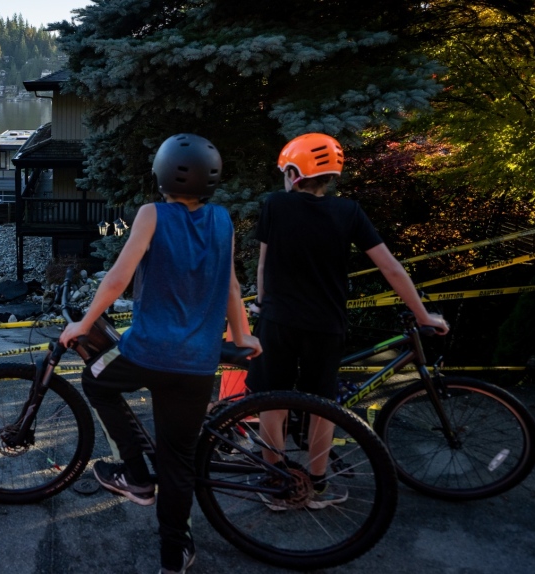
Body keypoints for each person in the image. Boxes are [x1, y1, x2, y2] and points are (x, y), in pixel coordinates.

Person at [60, 133, 261, 574]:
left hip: (146, 352)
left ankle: (134, 475)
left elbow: (117, 277)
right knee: (179, 461)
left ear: (161, 175)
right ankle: (174, 555)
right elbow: (230, 286)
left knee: (95, 378)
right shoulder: (223, 220)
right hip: (197, 364)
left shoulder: (152, 214)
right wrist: (243, 335)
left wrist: (84, 322)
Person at [246, 132, 449, 510]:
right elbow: (389, 267)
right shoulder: (349, 212)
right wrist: (423, 315)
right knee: (323, 405)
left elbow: (262, 264)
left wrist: (261, 302)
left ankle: (276, 483)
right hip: (326, 324)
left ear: (294, 172)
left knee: (271, 401)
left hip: (279, 321)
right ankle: (319, 485)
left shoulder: (275, 205)